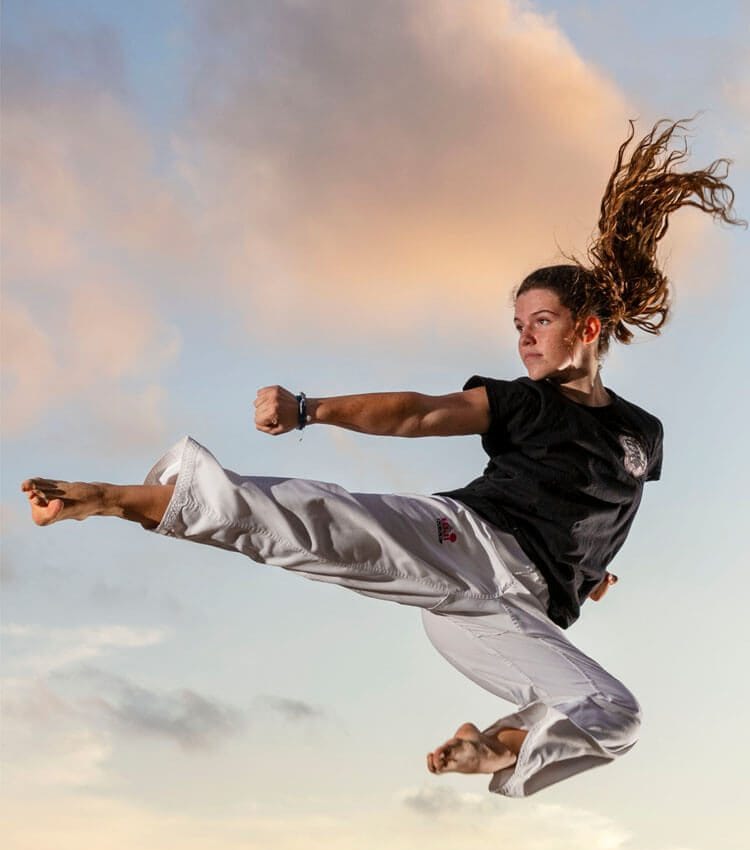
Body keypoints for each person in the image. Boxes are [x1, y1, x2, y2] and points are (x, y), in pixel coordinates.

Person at [22, 120, 744, 798]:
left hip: (517, 613)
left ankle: (491, 746)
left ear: (586, 328)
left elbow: (613, 505)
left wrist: (591, 573)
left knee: (616, 712)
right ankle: (112, 497)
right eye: (517, 325)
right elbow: (421, 411)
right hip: (467, 546)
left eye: (541, 323)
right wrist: (311, 409)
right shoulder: (525, 402)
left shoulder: (641, 435)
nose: (524, 339)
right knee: (319, 521)